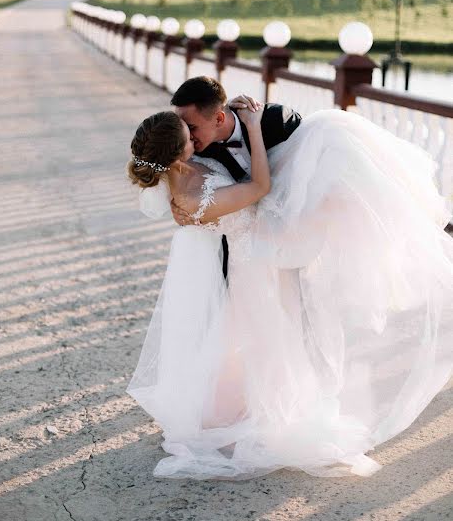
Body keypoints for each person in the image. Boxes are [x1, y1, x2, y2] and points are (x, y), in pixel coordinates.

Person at [125, 101, 453, 481]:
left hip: (259, 244)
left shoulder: (185, 173)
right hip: (257, 261)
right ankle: (427, 224)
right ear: (178, 154)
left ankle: (420, 217)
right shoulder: (193, 198)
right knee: (270, 339)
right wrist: (251, 125)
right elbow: (259, 186)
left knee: (338, 158)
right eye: (188, 136)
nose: (195, 138)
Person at [169, 76, 302, 278]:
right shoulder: (197, 152)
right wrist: (180, 206)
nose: (187, 135)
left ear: (220, 118)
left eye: (192, 127)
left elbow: (310, 173)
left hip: (297, 232)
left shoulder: (276, 121)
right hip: (242, 254)